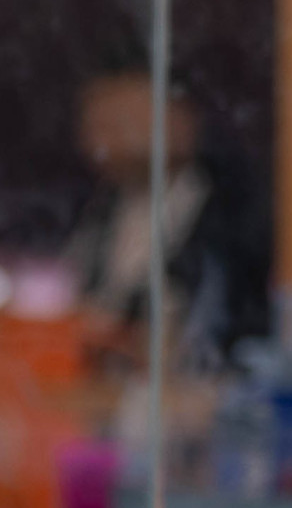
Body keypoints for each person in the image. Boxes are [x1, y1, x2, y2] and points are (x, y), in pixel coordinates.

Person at [67, 70, 268, 367]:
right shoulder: (99, 211)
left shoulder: (228, 214)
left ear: (180, 120)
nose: (103, 141)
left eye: (122, 122)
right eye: (95, 126)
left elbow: (222, 323)